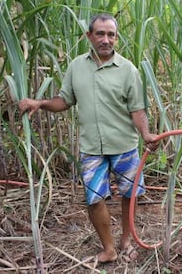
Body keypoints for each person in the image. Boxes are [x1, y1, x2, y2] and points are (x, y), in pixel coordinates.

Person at [19, 13, 159, 263]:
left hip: (124, 145)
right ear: (89, 36)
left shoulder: (128, 70)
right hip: (92, 147)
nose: (106, 40)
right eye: (100, 34)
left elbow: (137, 109)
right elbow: (65, 101)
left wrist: (146, 134)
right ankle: (109, 248)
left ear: (116, 38)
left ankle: (127, 240)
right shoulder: (76, 67)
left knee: (130, 194)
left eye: (111, 35)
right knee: (94, 199)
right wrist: (40, 102)